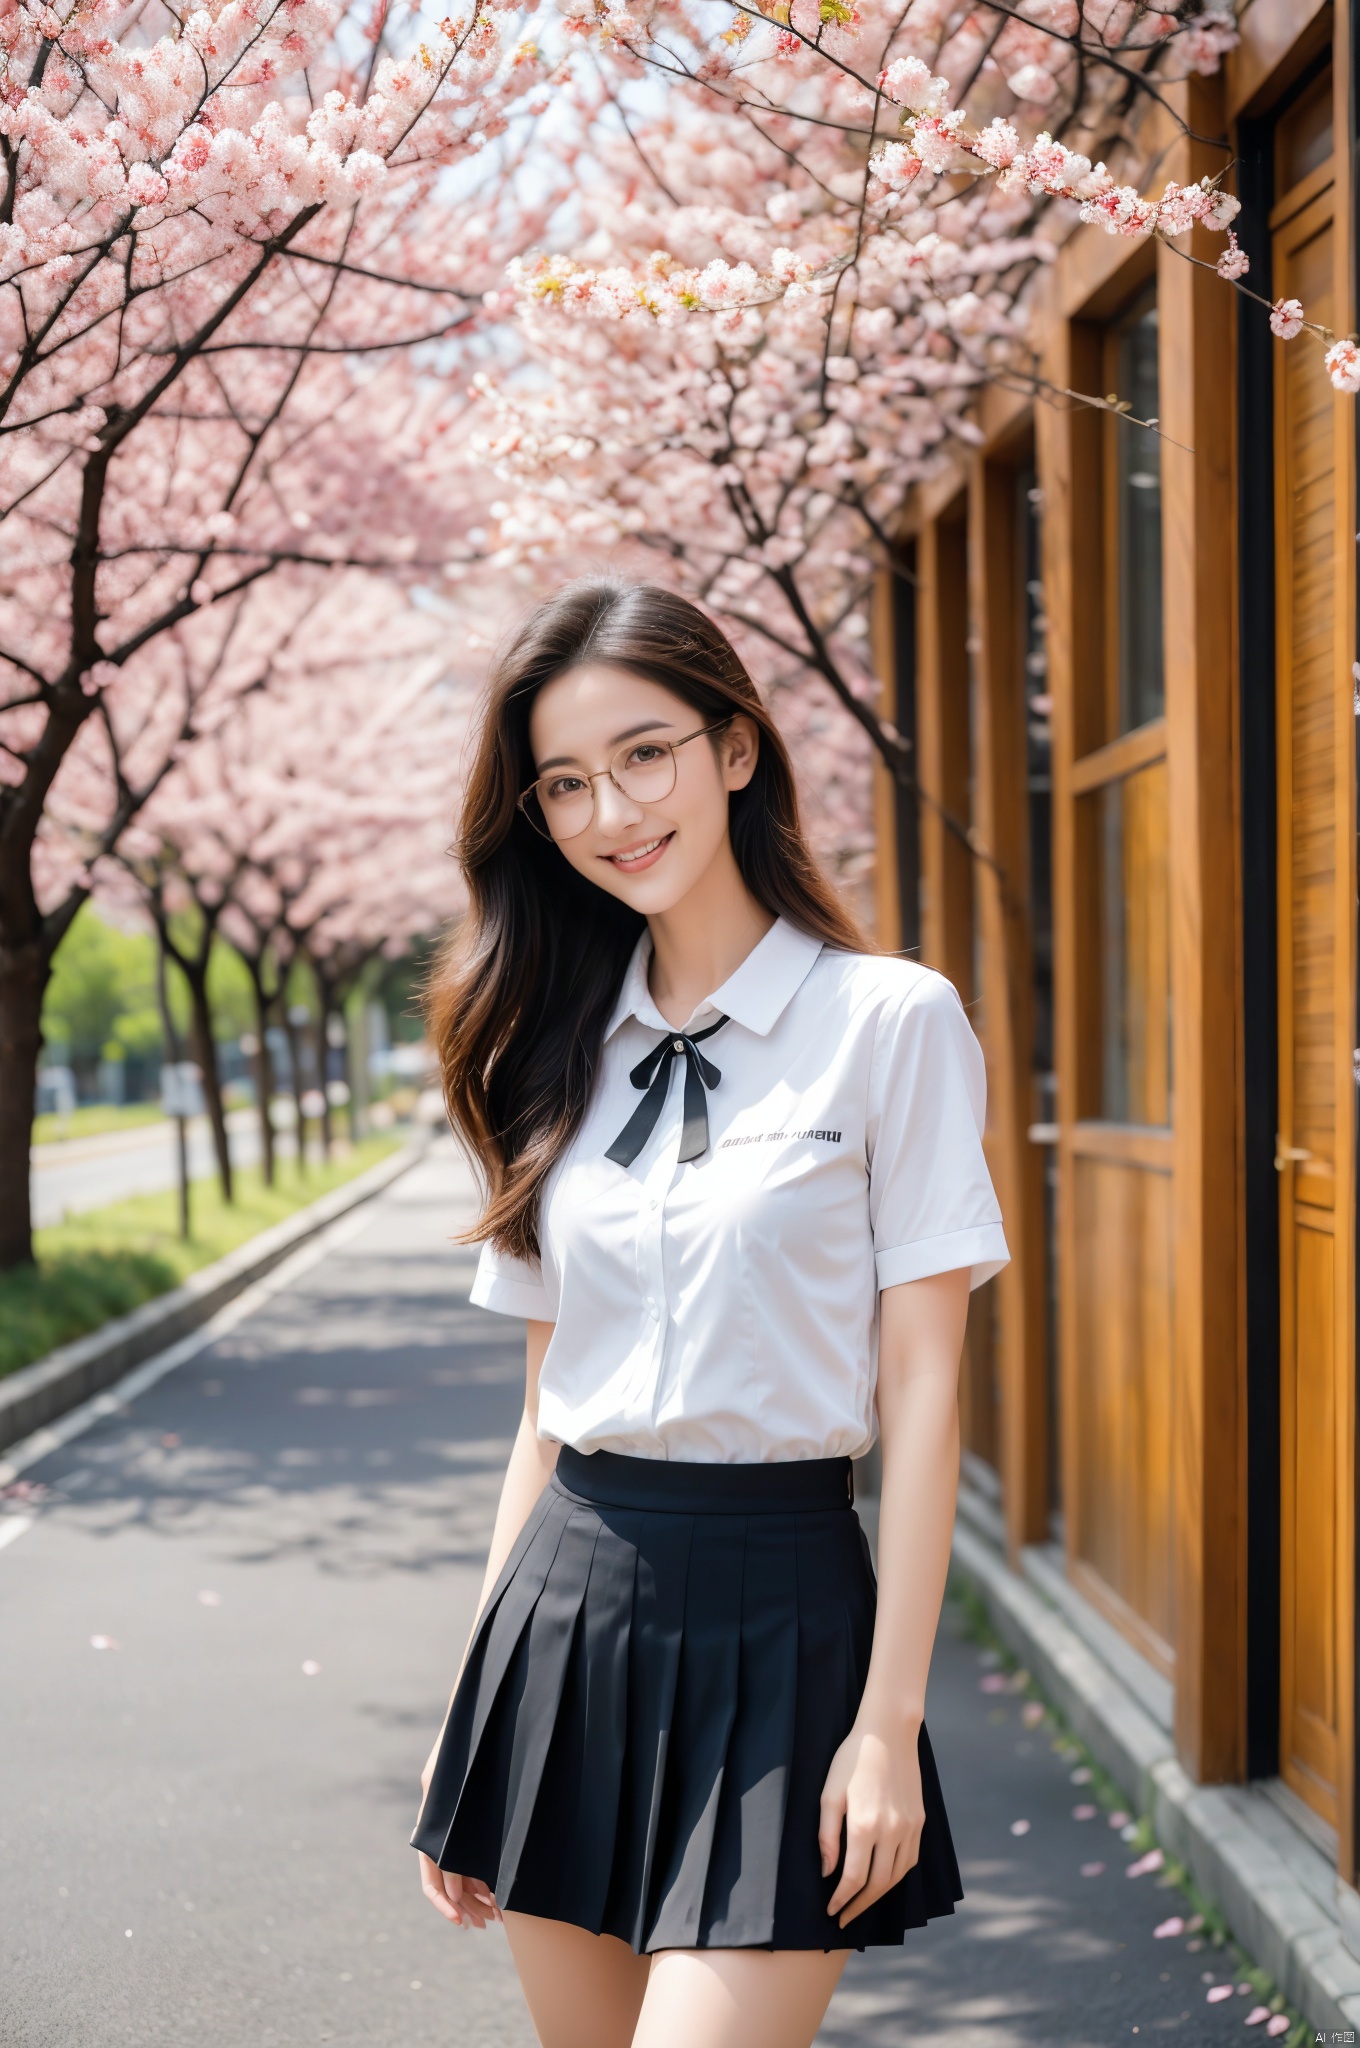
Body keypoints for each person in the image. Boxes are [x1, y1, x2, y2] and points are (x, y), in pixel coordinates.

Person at [413, 580, 1008, 2048]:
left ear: (737, 749)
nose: (611, 809)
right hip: (567, 1611)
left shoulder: (892, 1022)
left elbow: (926, 1396)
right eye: (563, 784)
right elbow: (546, 1411)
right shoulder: (548, 1052)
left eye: (645, 754)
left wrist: (886, 1725)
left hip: (786, 1609)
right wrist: (472, 1706)